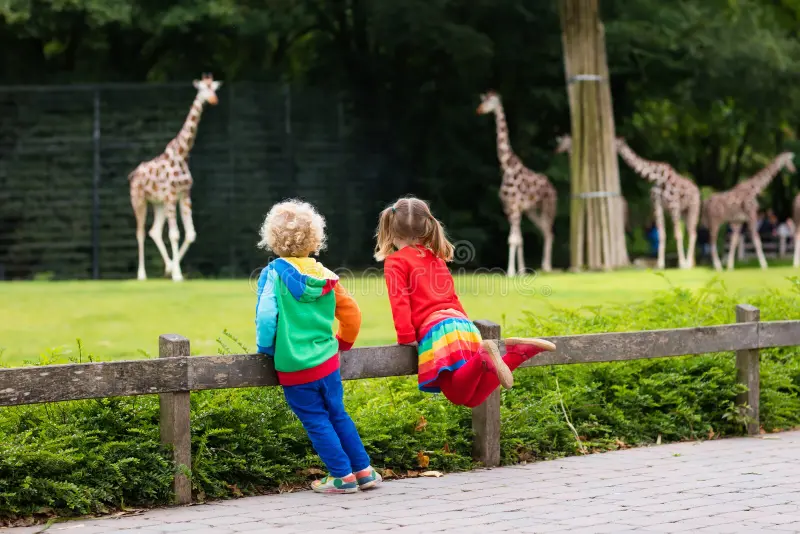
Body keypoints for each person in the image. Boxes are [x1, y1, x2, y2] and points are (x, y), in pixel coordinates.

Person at [374, 196, 556, 408]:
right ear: (426, 226)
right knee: (474, 397)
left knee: (458, 395)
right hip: (462, 325)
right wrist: (469, 333)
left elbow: (400, 302)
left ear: (392, 230)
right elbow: (452, 296)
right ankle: (518, 353)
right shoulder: (436, 258)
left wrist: (406, 337)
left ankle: (485, 356)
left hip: (438, 331)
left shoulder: (395, 261)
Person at [255, 199, 380, 494]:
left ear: (273, 240)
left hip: (295, 366)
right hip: (328, 362)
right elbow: (352, 314)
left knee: (315, 419)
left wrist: (266, 347)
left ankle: (341, 476)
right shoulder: (326, 276)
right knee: (337, 413)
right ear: (314, 239)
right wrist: (344, 342)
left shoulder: (273, 274)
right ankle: (363, 471)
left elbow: (265, 316)